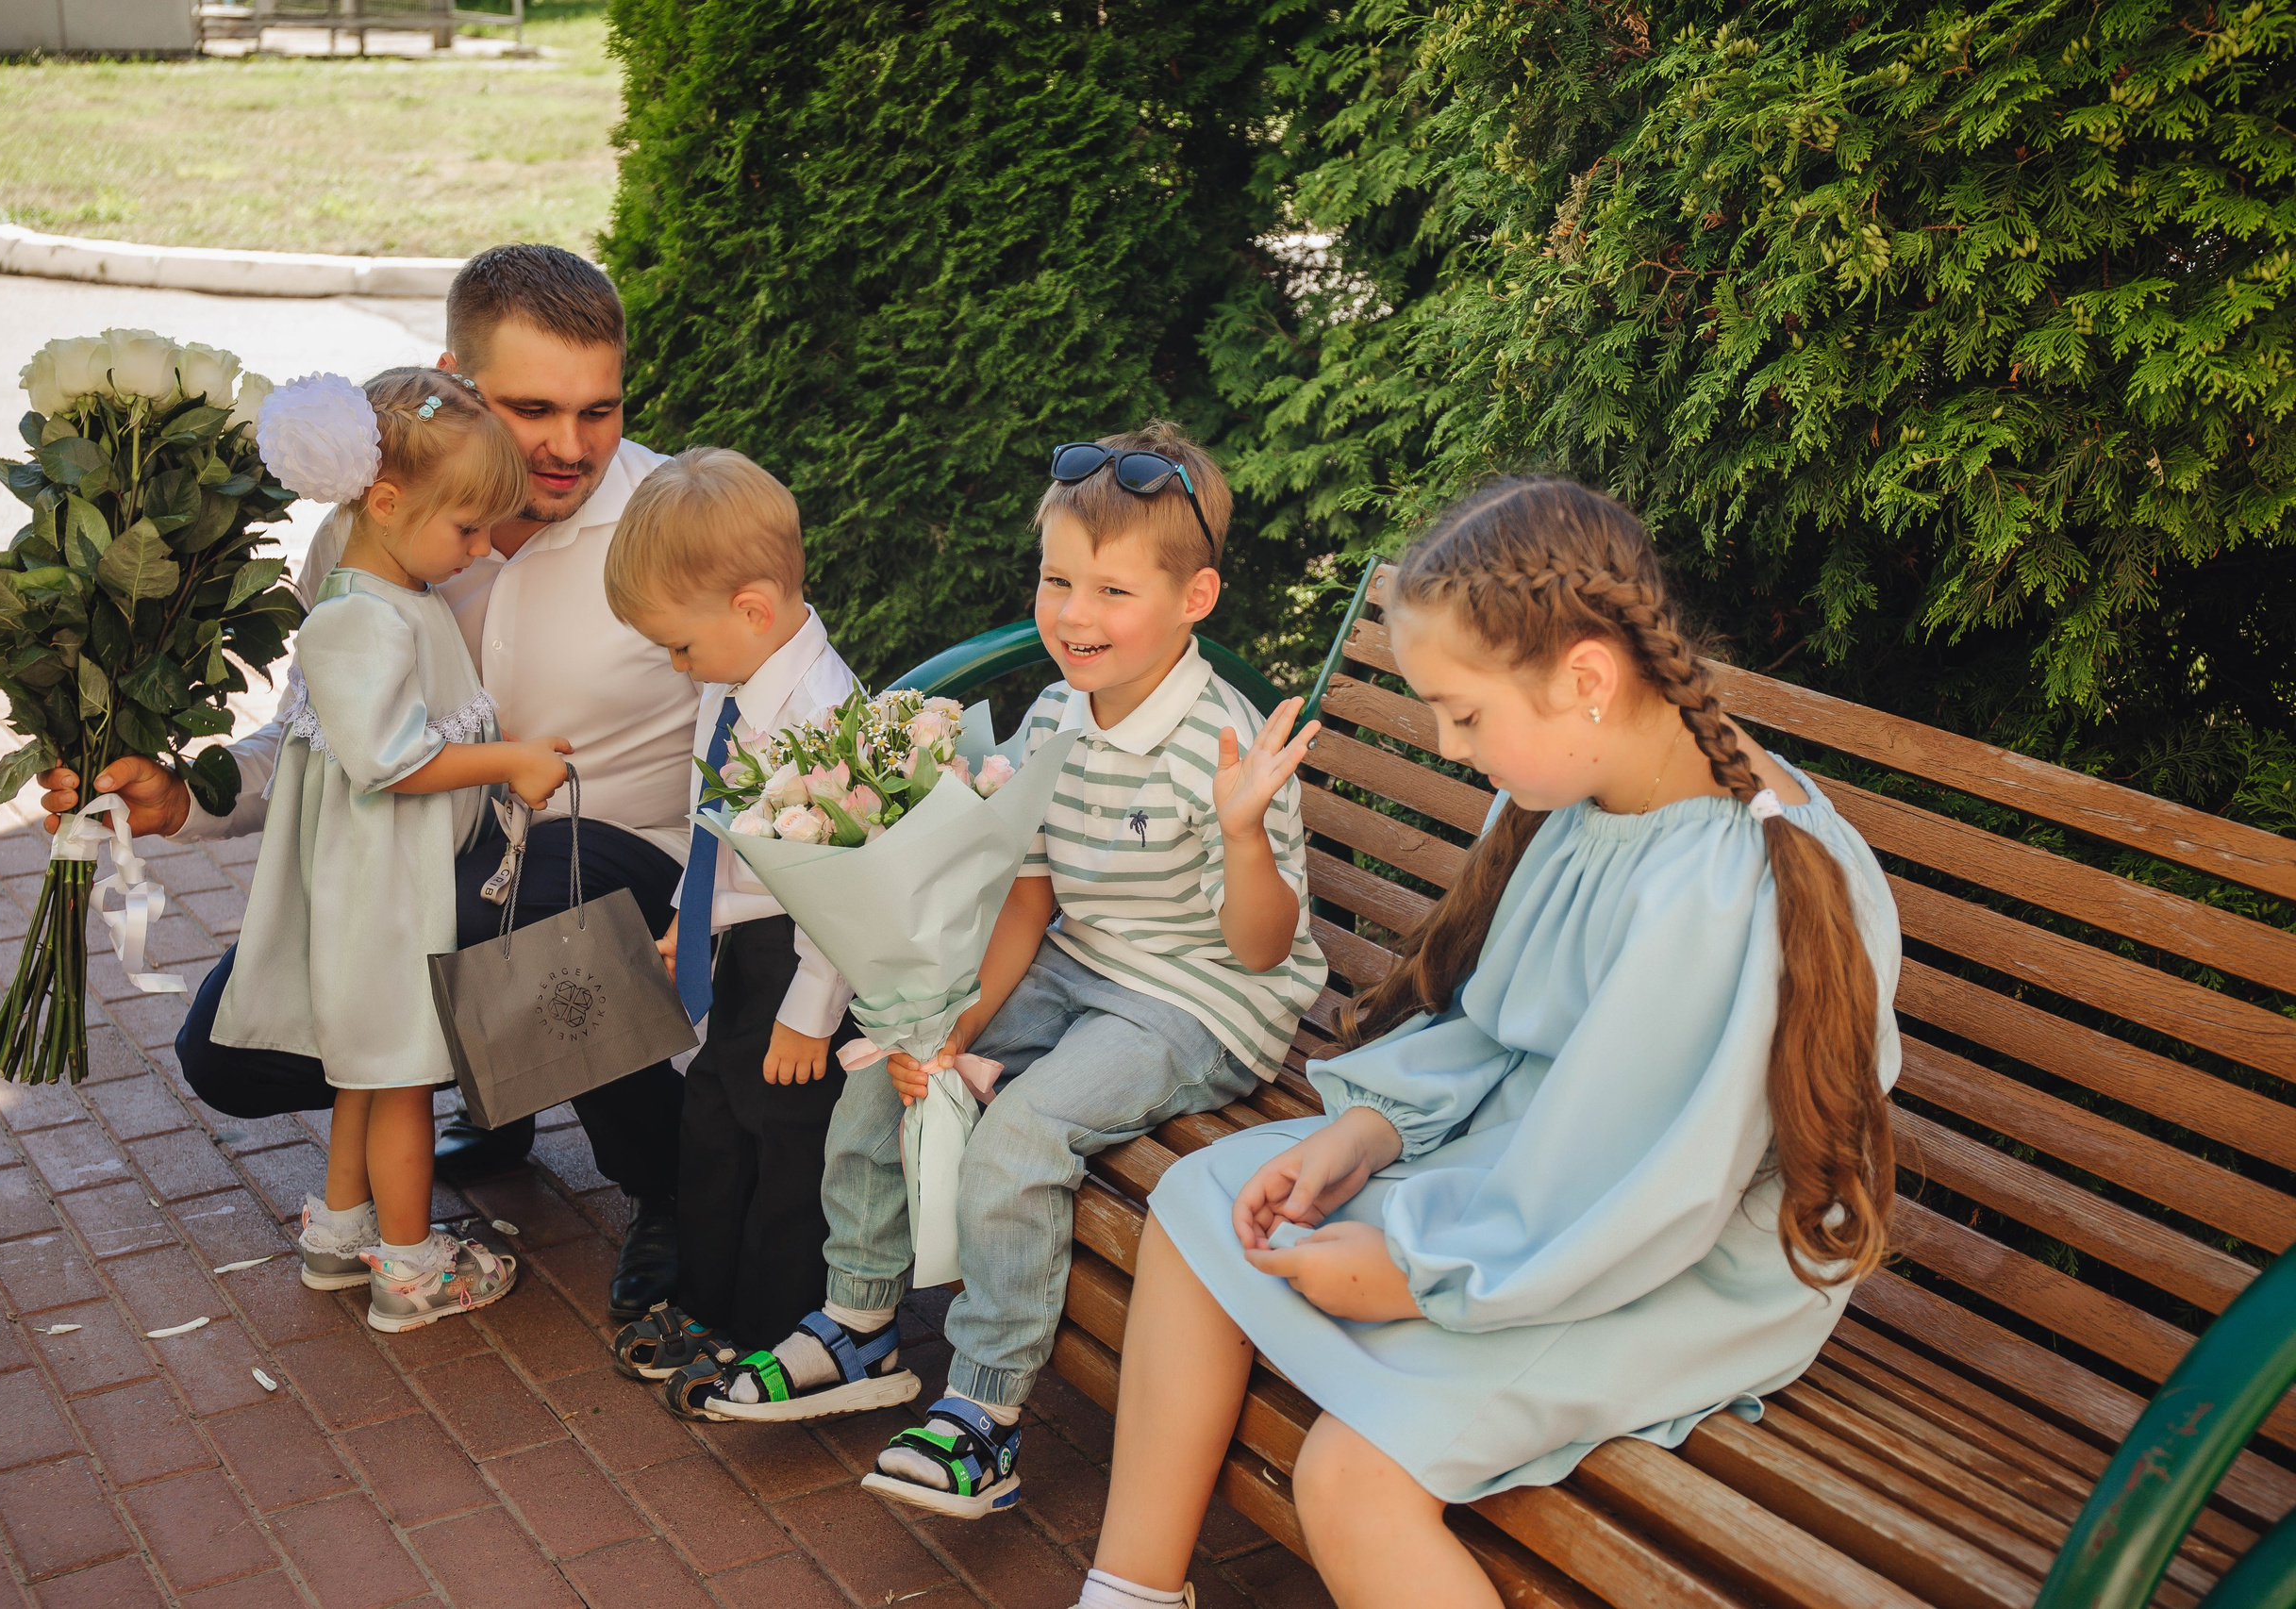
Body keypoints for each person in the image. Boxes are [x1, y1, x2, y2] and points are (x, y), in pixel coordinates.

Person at [1072, 478, 1903, 1609]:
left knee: (1353, 1474)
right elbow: (1505, 1033)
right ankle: (1128, 1594)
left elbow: (1645, 1187)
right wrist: (1365, 1134)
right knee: (1201, 1207)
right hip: (1538, 1191)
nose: (1448, 745)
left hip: (1665, 1258)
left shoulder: (1721, 890)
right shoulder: (1587, 786)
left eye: (1462, 713)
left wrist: (1417, 1276)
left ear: (1586, 679)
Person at [37, 245, 701, 1321]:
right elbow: (323, 741)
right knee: (231, 1054)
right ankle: (489, 1092)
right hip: (427, 851)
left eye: (600, 409)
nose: (569, 447)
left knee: (516, 919)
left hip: (621, 851)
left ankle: (667, 1185)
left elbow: (764, 726)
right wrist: (185, 798)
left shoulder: (677, 517)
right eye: (532, 407)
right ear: (455, 378)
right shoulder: (375, 531)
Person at [685, 424, 1330, 1526]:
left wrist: (1245, 833)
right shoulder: (1052, 712)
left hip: (1199, 1000)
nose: (1074, 614)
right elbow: (1030, 896)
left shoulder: (1221, 747)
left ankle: (985, 1414)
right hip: (1079, 960)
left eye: (1113, 590)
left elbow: (1264, 948)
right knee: (886, 1058)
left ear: (1196, 596)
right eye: (1057, 578)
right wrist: (946, 1026)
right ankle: (861, 1322)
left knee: (1023, 1133)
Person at [220, 367, 554, 1330]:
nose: (479, 549)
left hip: (385, 878)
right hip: (383, 892)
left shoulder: (391, 593)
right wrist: (511, 758)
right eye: (466, 529)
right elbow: (388, 758)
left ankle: (338, 1232)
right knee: (400, 1073)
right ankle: (411, 1271)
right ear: (386, 499)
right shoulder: (358, 614)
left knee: (364, 1069)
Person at [595, 449, 865, 1400]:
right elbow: (711, 816)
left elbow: (847, 881)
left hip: (800, 957)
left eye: (678, 645)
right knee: (714, 1119)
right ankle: (706, 1299)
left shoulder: (822, 715)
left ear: (750, 608)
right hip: (736, 939)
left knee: (787, 1144)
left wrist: (811, 1008)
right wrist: (683, 914)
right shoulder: (732, 675)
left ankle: (777, 1326)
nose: (676, 664)